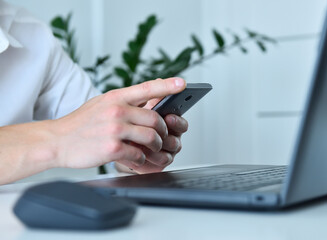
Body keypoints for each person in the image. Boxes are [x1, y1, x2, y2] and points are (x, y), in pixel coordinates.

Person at [0, 0, 188, 185]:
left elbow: (102, 130)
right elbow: (73, 130)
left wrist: (135, 146)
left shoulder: (33, 37)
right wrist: (57, 138)